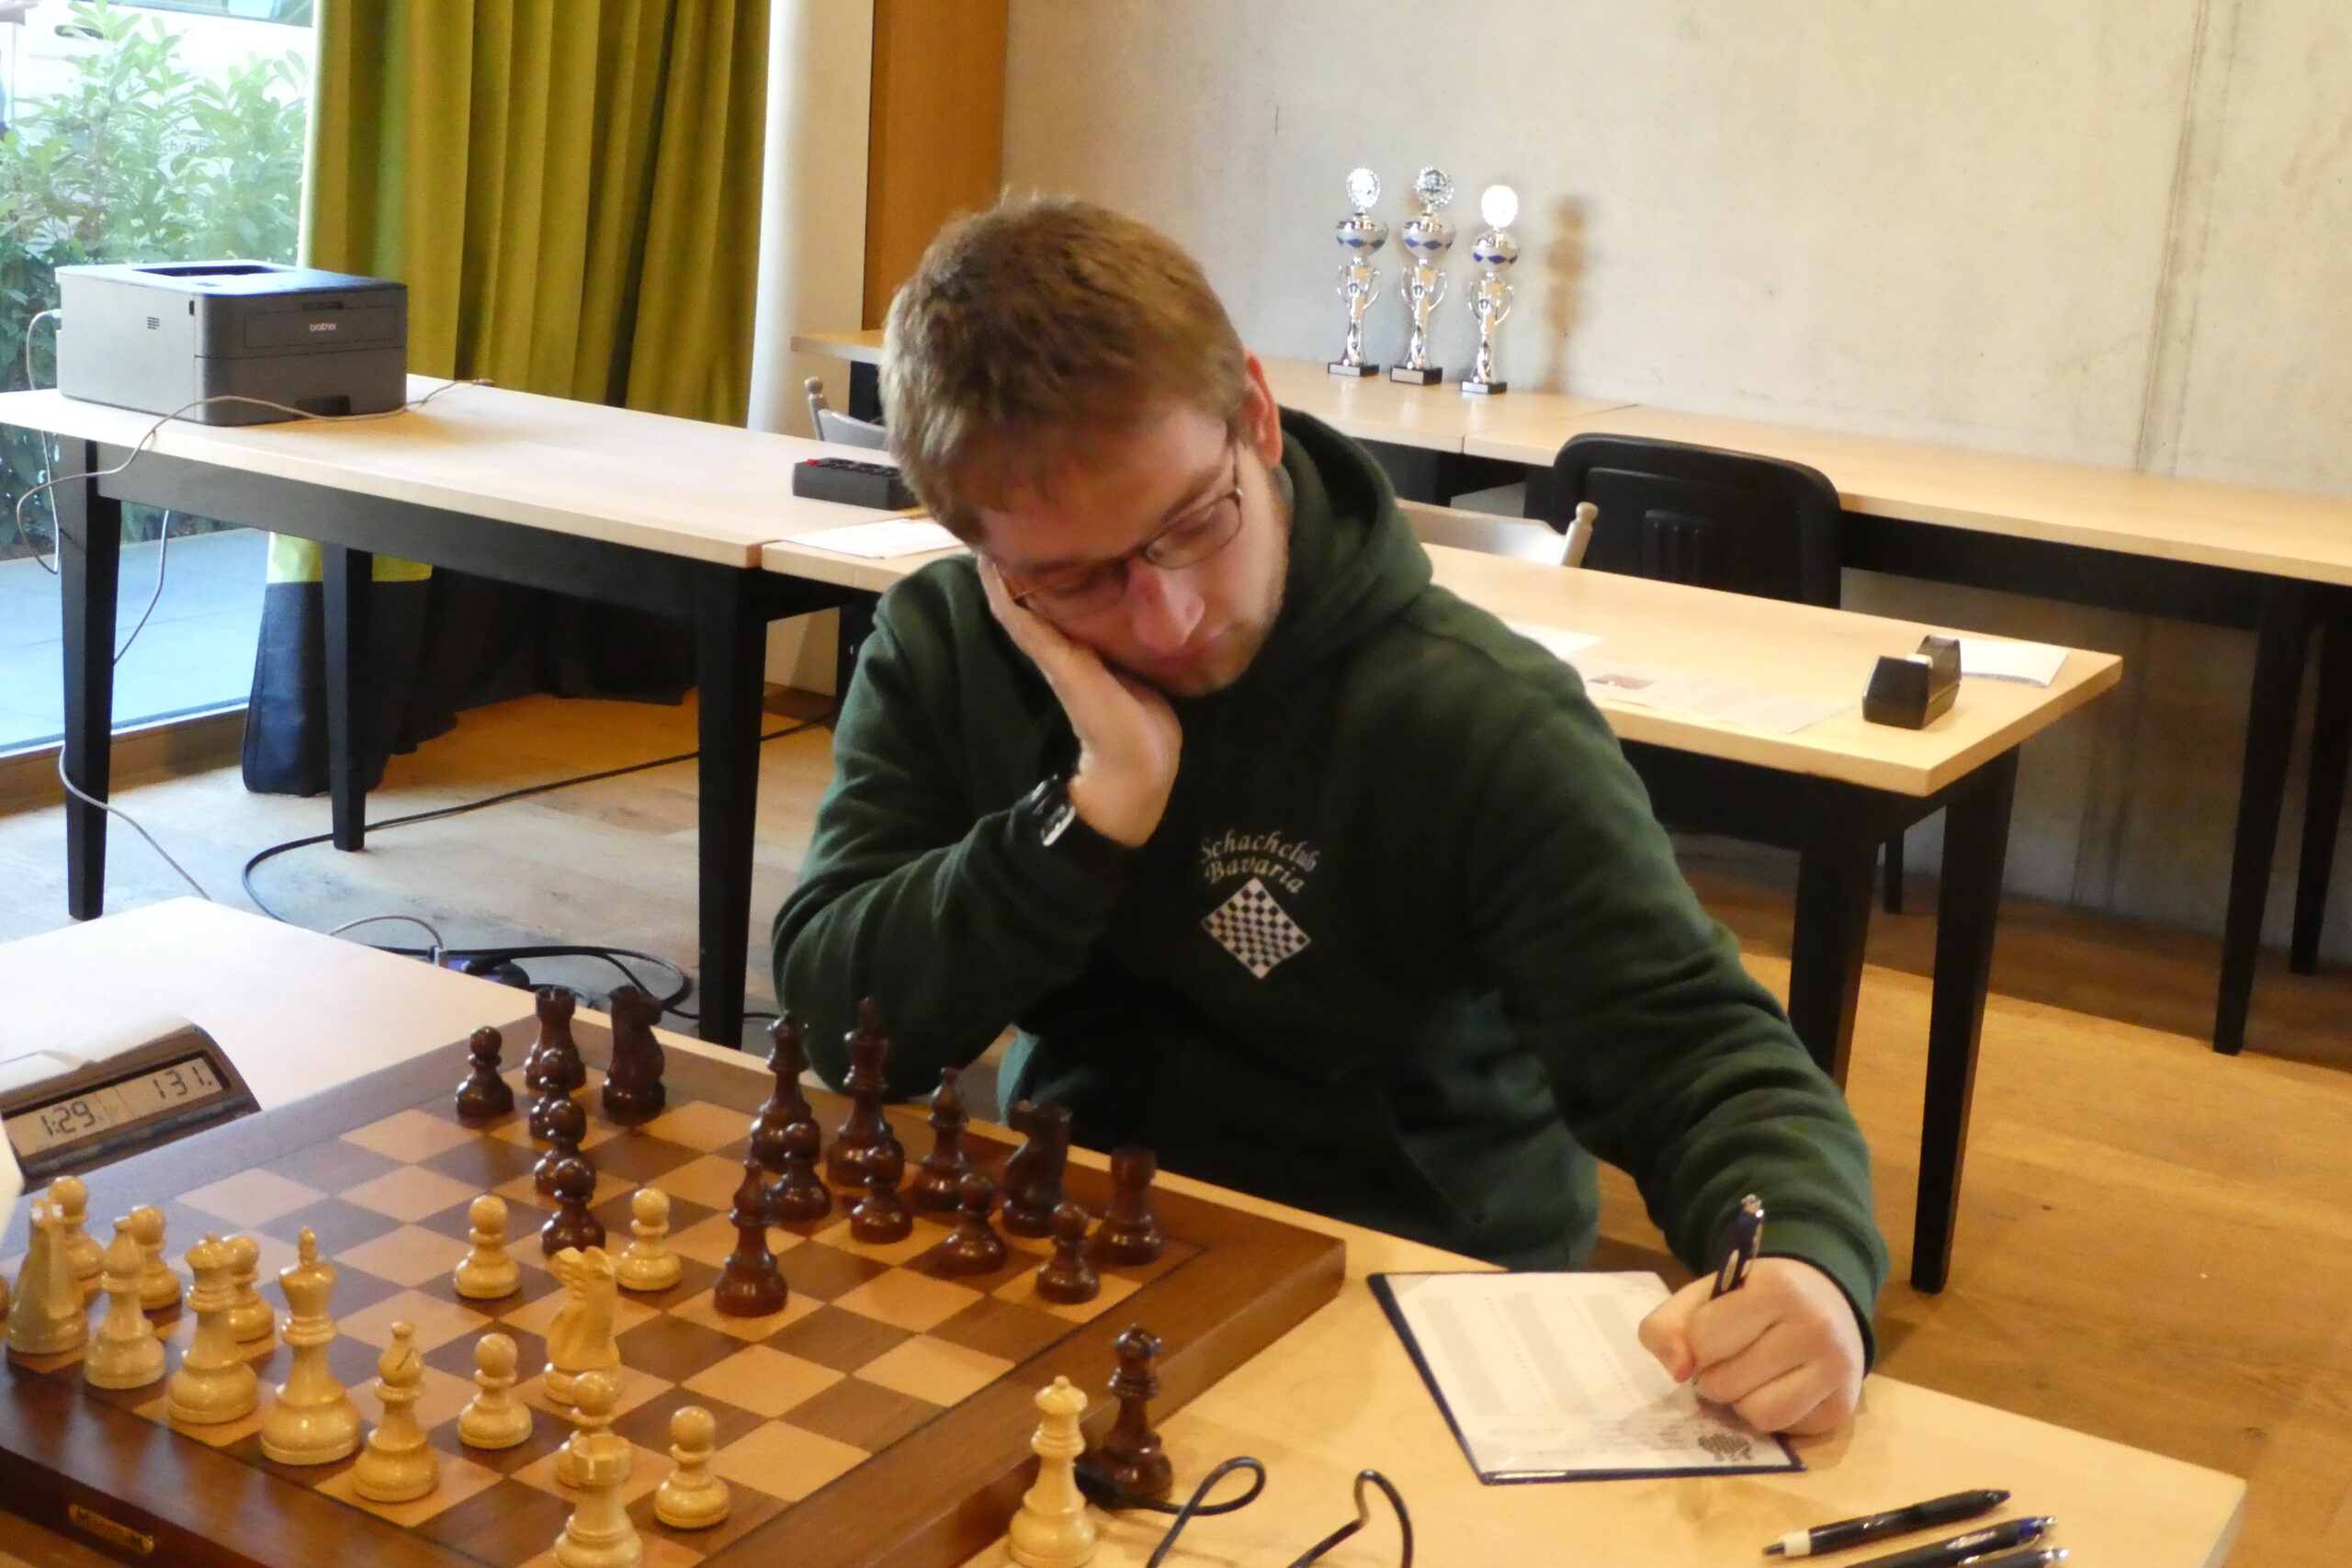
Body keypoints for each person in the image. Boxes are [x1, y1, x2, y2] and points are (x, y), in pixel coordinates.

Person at [774, 196, 1887, 1435]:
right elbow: (842, 1024)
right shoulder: (943, 647)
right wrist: (1088, 815)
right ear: (984, 561)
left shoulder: (1478, 714)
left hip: (1421, 1290)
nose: (1167, 617)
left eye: (1193, 524)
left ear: (1254, 413)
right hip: (1072, 1242)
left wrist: (1806, 1262)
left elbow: (1696, 1052)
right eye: (1074, 580)